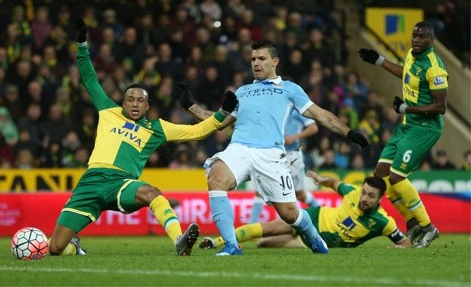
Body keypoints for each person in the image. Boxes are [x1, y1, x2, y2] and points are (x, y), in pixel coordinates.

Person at [47, 17, 238, 257]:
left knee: (152, 192)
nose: (135, 104)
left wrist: (222, 113)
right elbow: (88, 78)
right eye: (130, 99)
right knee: (55, 248)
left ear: (147, 105)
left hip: (121, 183)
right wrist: (83, 44)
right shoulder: (108, 110)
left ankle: (179, 240)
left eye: (141, 100)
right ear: (123, 102)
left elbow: (196, 132)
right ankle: (73, 248)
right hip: (91, 181)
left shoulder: (156, 128)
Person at [174, 40, 369, 256]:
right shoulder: (243, 91)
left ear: (275, 61)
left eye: (261, 59)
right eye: (253, 59)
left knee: (289, 214)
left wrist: (349, 132)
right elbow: (218, 121)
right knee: (216, 178)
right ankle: (231, 245)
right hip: (239, 148)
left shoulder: (290, 89)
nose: (256, 63)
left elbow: (320, 114)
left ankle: (313, 236)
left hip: (270, 154)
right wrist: (190, 105)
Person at [358, 21, 448, 248]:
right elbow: (406, 73)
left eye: (422, 36)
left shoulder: (434, 67)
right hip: (408, 124)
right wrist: (379, 60)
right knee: (380, 176)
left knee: (397, 176)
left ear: (432, 40)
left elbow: (441, 106)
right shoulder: (411, 55)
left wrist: (406, 109)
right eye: (415, 35)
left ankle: (428, 227)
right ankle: (412, 222)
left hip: (425, 128)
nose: (417, 39)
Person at [199, 171, 411, 249]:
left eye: (370, 196)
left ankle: (232, 242)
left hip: (319, 240)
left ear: (380, 199)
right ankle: (217, 242)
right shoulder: (352, 192)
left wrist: (401, 247)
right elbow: (335, 182)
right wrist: (321, 180)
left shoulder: (384, 222)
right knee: (268, 229)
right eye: (364, 192)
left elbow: (404, 241)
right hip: (314, 216)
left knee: (265, 244)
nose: (364, 198)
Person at [249, 110, 320, 224]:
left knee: (300, 194)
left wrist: (295, 137)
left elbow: (314, 128)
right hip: (273, 153)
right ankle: (251, 226)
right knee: (261, 190)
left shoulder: (297, 110)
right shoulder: (272, 108)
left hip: (292, 155)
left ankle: (320, 213)